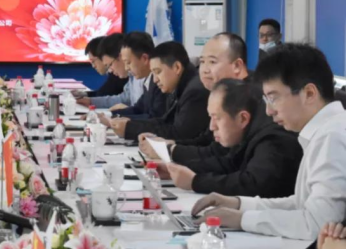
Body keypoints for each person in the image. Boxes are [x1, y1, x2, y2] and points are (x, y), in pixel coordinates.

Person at [192, 44, 346, 241]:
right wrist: (238, 204)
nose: (269, 111)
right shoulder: (326, 131)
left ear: (309, 93)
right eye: (266, 100)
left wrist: (242, 219)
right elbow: (302, 204)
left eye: (274, 98)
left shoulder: (332, 137)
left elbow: (317, 224)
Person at [157, 79, 301, 198]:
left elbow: (253, 184)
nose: (212, 126)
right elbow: (228, 164)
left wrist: (195, 182)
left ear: (242, 118)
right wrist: (176, 169)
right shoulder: (249, 131)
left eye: (217, 118)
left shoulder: (273, 139)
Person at [140, 33, 251, 162]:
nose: (204, 70)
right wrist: (170, 145)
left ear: (237, 66)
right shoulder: (223, 92)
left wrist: (170, 151)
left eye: (212, 62)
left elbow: (222, 157)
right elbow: (207, 142)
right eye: (202, 61)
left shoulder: (251, 99)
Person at [108, 41, 210, 141]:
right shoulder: (180, 86)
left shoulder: (194, 92)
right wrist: (129, 124)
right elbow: (165, 121)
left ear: (177, 67)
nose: (155, 80)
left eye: (158, 72)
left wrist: (130, 128)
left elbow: (179, 133)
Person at [104, 32, 167, 118]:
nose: (126, 68)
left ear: (144, 58)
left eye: (128, 62)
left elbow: (154, 118)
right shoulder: (148, 81)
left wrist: (118, 119)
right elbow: (137, 109)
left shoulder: (160, 82)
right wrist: (108, 115)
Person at [78, 34, 141, 110]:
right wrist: (91, 101)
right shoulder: (132, 77)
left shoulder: (140, 77)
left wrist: (127, 112)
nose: (110, 70)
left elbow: (144, 112)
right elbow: (124, 99)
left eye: (110, 65)